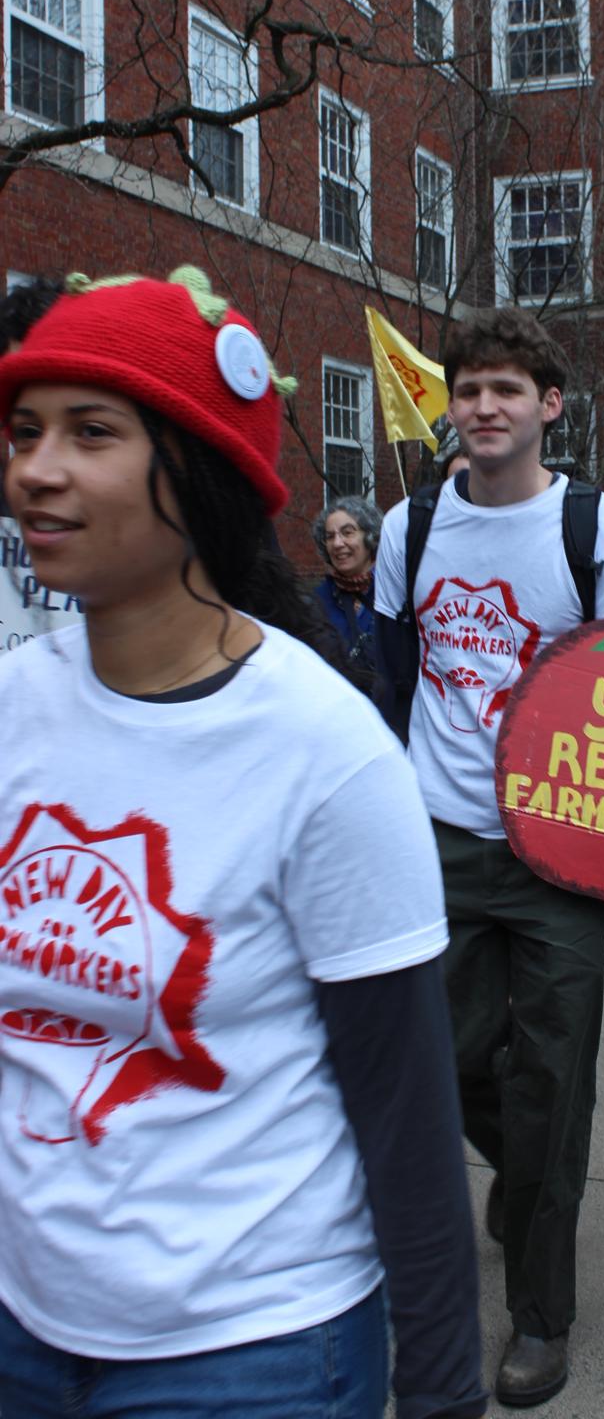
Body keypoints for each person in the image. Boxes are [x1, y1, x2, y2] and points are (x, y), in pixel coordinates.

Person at [0, 267, 486, 1419]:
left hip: (256, 1353)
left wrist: (441, 1389)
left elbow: (407, 1109)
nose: (35, 469)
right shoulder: (14, 702)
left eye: (91, 431)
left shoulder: (326, 751)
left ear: (198, 468)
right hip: (22, 1329)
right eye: (23, 430)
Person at [374, 305, 604, 1409]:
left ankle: (541, 1318)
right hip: (442, 839)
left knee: (552, 1083)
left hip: (560, 856)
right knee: (443, 1062)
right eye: (468, 389)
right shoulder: (411, 528)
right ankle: (524, 1165)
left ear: (549, 406)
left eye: (506, 389)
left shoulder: (596, 530)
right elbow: (393, 680)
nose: (484, 406)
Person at [311, 494, 381, 688]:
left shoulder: (393, 592)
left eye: (347, 533)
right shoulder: (316, 602)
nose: (337, 543)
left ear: (370, 537)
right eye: (330, 536)